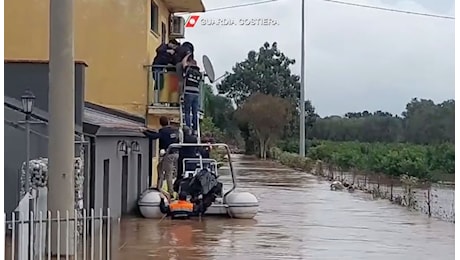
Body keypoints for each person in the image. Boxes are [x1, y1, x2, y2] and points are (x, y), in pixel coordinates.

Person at [156, 116, 179, 197]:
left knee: (168, 173)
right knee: (159, 167)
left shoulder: (163, 131)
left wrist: (145, 132)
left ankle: (171, 192)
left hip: (168, 154)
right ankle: (159, 186)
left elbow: (156, 136)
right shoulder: (172, 131)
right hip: (175, 153)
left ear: (160, 123)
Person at [181, 53, 202, 134]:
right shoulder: (199, 74)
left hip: (188, 93)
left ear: (191, 63)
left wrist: (187, 55)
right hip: (196, 94)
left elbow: (183, 63)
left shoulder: (188, 70)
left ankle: (188, 127)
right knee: (194, 112)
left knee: (187, 111)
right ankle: (195, 129)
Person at [174, 126, 198, 193]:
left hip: (183, 159)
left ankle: (177, 187)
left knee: (180, 174)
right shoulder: (194, 139)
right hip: (192, 160)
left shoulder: (182, 139)